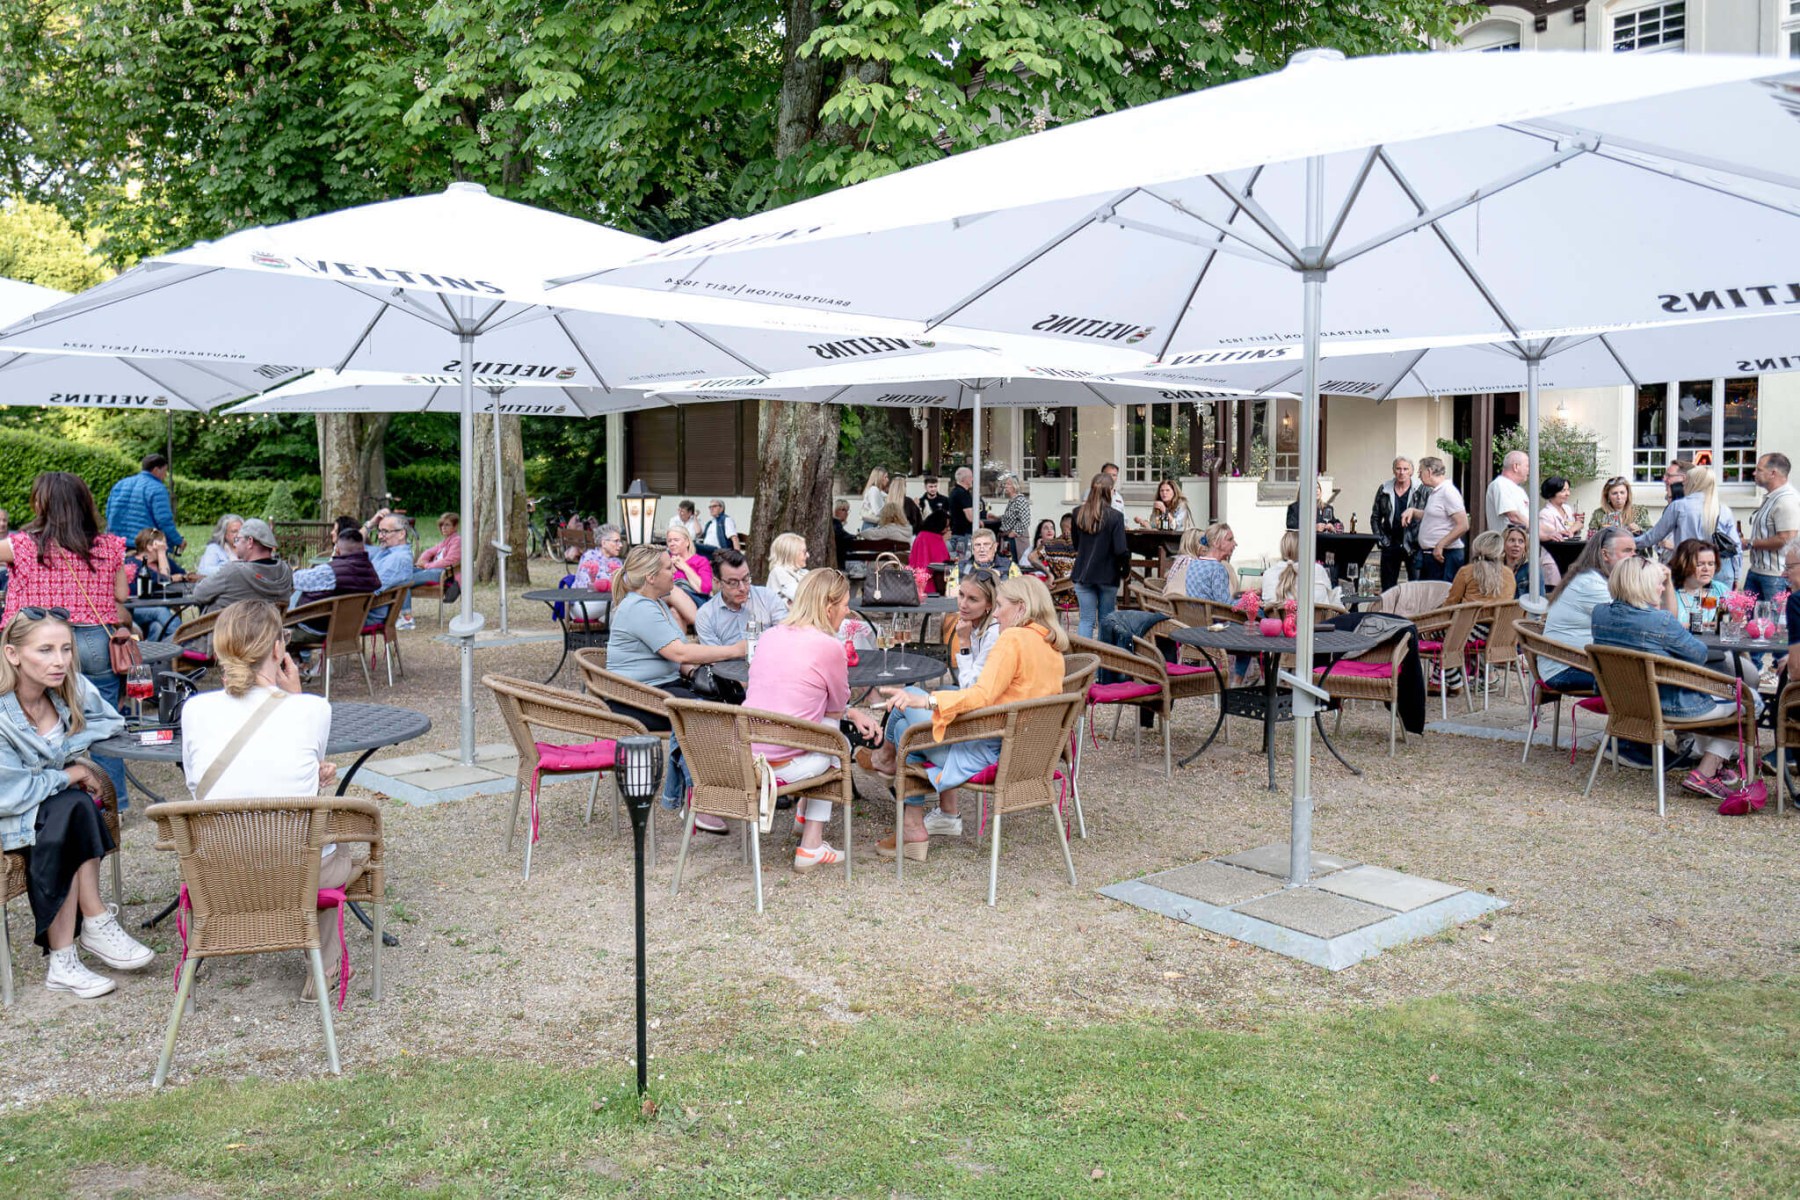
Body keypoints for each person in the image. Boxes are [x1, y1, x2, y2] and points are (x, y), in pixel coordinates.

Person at [179, 600, 345, 998]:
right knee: (326, 846)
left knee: (309, 843)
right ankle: (324, 967)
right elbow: (303, 780)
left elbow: (193, 785)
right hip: (296, 868)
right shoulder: (312, 709)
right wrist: (296, 695)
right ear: (277, 649)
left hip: (216, 868)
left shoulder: (194, 709)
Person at [0, 609, 148, 999]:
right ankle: (92, 924)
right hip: (9, 819)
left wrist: (67, 755)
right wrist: (70, 772)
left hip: (53, 813)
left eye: (66, 648)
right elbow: (10, 795)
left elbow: (111, 721)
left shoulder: (66, 686)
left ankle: (65, 959)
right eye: (45, 650)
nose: (60, 661)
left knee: (73, 808)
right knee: (72, 805)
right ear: (13, 654)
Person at [870, 575, 1068, 860]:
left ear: (1021, 608)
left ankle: (891, 775)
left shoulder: (1012, 638)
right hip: (1026, 754)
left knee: (907, 711)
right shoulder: (1051, 646)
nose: (996, 614)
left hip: (987, 754)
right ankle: (917, 822)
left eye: (1000, 606)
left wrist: (928, 700)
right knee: (907, 726)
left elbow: (981, 695)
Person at [0, 472, 133, 803]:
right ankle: (113, 803)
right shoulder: (109, 545)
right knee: (101, 724)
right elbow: (122, 594)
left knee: (34, 715)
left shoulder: (23, 545)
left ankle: (41, 785)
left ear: (41, 504)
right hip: (95, 641)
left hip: (40, 645)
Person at [743, 569, 886, 873]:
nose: (847, 611)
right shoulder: (829, 645)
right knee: (836, 740)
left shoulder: (769, 635)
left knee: (828, 732)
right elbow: (834, 708)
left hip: (747, 757)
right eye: (844, 605)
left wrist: (851, 712)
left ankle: (802, 817)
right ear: (828, 606)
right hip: (783, 768)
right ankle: (810, 843)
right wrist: (849, 711)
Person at [1592, 556, 1756, 800]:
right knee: (1749, 702)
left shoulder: (1599, 614)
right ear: (1643, 585)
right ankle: (1707, 771)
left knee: (1722, 696)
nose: (1662, 588)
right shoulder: (1660, 620)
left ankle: (1713, 763)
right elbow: (1699, 655)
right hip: (1670, 705)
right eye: (1659, 583)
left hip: (1625, 704)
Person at [604, 545, 745, 822]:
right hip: (634, 699)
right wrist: (735, 650)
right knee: (704, 714)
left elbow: (677, 650)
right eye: (669, 568)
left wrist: (696, 673)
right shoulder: (638, 608)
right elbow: (679, 652)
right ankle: (699, 802)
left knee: (728, 699)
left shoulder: (656, 602)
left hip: (659, 689)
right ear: (650, 577)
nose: (675, 572)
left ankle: (721, 790)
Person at [1540, 526, 1644, 762]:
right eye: (1627, 551)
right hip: (1564, 668)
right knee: (1636, 680)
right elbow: (1632, 621)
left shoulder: (1598, 579)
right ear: (1605, 555)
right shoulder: (1591, 584)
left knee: (1639, 673)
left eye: (1635, 551)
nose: (1634, 557)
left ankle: (1637, 742)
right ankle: (1626, 746)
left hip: (1578, 662)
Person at [288, 529, 382, 659]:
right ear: (363, 549)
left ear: (337, 549)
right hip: (349, 630)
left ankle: (294, 664)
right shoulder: (370, 571)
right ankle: (299, 664)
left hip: (316, 630)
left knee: (272, 634)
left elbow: (294, 580)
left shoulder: (330, 572)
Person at [1636, 464, 1737, 564]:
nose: (1683, 484)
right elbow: (1736, 545)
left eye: (1686, 480)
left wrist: (1630, 542)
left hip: (1686, 565)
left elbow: (1653, 536)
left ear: (1693, 482)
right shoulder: (1724, 510)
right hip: (1714, 567)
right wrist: (1736, 572)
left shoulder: (1679, 506)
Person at [191, 519, 294, 613]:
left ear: (250, 542)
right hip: (270, 627)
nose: (235, 545)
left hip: (228, 627)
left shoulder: (233, 572)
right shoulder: (286, 571)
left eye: (237, 539)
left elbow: (199, 594)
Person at [1069, 472, 1127, 639]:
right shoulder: (1116, 516)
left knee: (1086, 620)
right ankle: (1103, 655)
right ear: (1110, 491)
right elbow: (1120, 549)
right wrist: (1125, 570)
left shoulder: (1077, 513)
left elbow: (1076, 545)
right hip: (1108, 574)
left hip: (1083, 572)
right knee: (1105, 619)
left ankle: (1084, 654)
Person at [697, 548, 789, 646]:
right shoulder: (706, 615)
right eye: (733, 583)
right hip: (730, 656)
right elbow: (714, 654)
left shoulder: (767, 598)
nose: (742, 588)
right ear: (717, 583)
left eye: (746, 579)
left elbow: (786, 636)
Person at [1743, 452, 1800, 603]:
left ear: (1773, 473)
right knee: (1748, 615)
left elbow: (1786, 538)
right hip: (1758, 570)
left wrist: (1750, 543)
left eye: (1759, 469)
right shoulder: (1773, 497)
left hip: (1775, 575)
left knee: (1773, 616)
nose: (1754, 473)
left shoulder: (1786, 500)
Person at [104, 453, 184, 556]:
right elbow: (164, 521)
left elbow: (109, 513)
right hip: (145, 547)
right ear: (156, 470)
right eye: (165, 471)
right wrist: (178, 541)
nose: (165, 476)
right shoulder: (157, 488)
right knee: (148, 565)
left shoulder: (120, 484)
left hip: (118, 545)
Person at [1407, 456, 1469, 583]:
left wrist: (1441, 545)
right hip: (1432, 556)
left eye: (1420, 472)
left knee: (1442, 593)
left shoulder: (1448, 492)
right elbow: (1434, 516)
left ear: (1429, 472)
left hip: (1445, 556)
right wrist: (1413, 511)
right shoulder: (1436, 492)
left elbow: (1463, 525)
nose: (1418, 476)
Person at [1370, 457, 1425, 591]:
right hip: (1390, 542)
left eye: (1405, 469)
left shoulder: (1421, 489)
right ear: (1394, 470)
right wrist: (1381, 540)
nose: (1402, 472)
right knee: (1388, 589)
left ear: (1411, 471)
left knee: (1417, 588)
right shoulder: (1384, 489)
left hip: (1413, 545)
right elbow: (1375, 517)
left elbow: (1429, 515)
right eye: (1398, 469)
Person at [125, 529, 183, 643]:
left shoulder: (162, 561)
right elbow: (164, 580)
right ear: (150, 547)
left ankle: (154, 653)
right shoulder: (133, 563)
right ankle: (185, 639)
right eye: (163, 544)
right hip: (133, 609)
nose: (166, 547)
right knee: (160, 611)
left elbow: (182, 574)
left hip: (152, 607)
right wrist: (161, 553)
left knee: (157, 627)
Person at [365, 511, 420, 626]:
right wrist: (371, 523)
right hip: (364, 610)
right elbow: (350, 544)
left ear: (401, 534)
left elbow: (372, 589)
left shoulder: (398, 559)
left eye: (385, 532)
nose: (380, 536)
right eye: (379, 531)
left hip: (367, 614)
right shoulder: (385, 551)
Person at [1263, 530, 1337, 608]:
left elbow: (1267, 602)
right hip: (1316, 616)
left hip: (1279, 616)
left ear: (1282, 549)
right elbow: (1330, 600)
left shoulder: (1268, 574)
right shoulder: (1317, 570)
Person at [411, 512, 463, 616]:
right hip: (432, 570)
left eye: (447, 525)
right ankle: (405, 614)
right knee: (406, 571)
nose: (443, 527)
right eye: (442, 525)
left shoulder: (457, 541)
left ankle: (404, 615)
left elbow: (448, 561)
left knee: (403, 580)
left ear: (455, 526)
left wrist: (426, 565)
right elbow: (429, 552)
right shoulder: (445, 541)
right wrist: (421, 562)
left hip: (444, 574)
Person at [1445, 530, 1516, 605]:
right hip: (1501, 613)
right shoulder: (1509, 573)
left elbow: (1451, 603)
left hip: (1470, 612)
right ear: (1500, 551)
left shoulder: (1466, 572)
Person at [1669, 538, 1730, 625]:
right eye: (1699, 564)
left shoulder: (1720, 589)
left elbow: (1735, 619)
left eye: (1711, 564)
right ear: (1684, 565)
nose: (1706, 569)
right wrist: (1702, 626)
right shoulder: (1671, 594)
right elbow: (1667, 627)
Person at [571, 523, 625, 621]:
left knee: (618, 611)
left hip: (607, 603)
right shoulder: (589, 557)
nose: (620, 545)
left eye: (620, 541)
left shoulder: (617, 562)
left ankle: (605, 622)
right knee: (625, 603)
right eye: (616, 541)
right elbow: (589, 586)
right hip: (583, 604)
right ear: (603, 543)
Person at [945, 527, 1020, 592]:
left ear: (995, 547)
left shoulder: (1009, 566)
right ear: (973, 549)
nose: (982, 549)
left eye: (986, 544)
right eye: (977, 545)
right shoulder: (961, 567)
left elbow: (1018, 593)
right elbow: (950, 592)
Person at [1501, 524, 1559, 598]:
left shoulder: (1532, 569)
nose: (1516, 545)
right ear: (1503, 544)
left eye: (1521, 541)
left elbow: (1540, 598)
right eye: (1512, 540)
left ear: (1525, 546)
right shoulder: (1496, 568)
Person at [663, 522, 714, 606]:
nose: (672, 544)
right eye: (669, 541)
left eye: (676, 540)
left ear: (687, 542)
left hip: (695, 602)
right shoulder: (665, 561)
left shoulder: (701, 561)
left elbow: (705, 590)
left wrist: (684, 567)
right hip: (669, 603)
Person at [1485, 450, 1531, 535]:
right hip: (1506, 542)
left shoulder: (1519, 490)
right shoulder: (1500, 484)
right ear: (1516, 466)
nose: (1529, 471)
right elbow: (1513, 516)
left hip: (1522, 542)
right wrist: (1536, 531)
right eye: (1527, 466)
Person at [766, 532, 809, 604]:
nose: (808, 555)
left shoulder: (803, 572)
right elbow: (801, 597)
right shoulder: (778, 572)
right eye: (804, 552)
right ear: (792, 554)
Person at [998, 475, 1033, 559]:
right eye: (1005, 484)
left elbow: (1025, 520)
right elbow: (1011, 517)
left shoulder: (1020, 500)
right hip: (1009, 538)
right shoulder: (1012, 501)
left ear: (1014, 486)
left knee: (1015, 562)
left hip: (1017, 540)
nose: (1006, 486)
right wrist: (996, 517)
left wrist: (1013, 533)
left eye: (1008, 484)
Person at [1537, 477, 1582, 542]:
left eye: (1568, 490)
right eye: (1563, 491)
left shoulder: (1567, 509)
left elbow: (1577, 524)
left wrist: (1571, 530)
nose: (1567, 494)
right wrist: (1572, 529)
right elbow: (1553, 535)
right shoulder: (1545, 514)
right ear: (1552, 492)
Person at [948, 466, 977, 554]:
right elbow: (970, 517)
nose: (972, 479)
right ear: (966, 479)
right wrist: (979, 521)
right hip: (964, 535)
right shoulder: (962, 494)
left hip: (956, 532)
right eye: (971, 477)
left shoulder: (954, 492)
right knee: (964, 559)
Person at [831, 500, 856, 569]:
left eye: (847, 510)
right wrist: (855, 536)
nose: (846, 513)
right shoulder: (835, 523)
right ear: (835, 510)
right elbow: (843, 535)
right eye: (843, 510)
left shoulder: (835, 523)